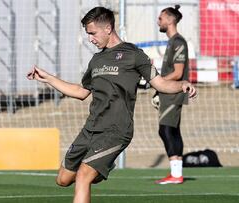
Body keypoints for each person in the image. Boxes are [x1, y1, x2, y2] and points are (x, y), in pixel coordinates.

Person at [27, 7, 196, 203]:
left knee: (83, 176)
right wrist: (48, 78)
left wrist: (182, 84)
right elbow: (81, 92)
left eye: (92, 33)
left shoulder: (134, 54)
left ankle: (95, 166)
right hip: (90, 129)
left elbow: (161, 84)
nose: (90, 39)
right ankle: (102, 166)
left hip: (116, 130)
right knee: (63, 180)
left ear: (107, 28)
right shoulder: (96, 60)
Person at [154, 5, 189, 185]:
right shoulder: (172, 42)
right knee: (173, 129)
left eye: (160, 18)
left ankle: (176, 175)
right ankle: (176, 174)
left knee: (165, 129)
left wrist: (157, 83)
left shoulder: (178, 42)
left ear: (169, 20)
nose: (158, 21)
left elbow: (177, 73)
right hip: (169, 91)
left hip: (174, 92)